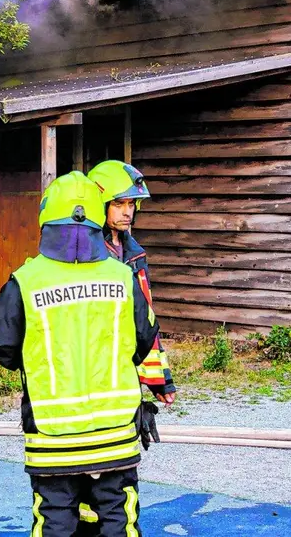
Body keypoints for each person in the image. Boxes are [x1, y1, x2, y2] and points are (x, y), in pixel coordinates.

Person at [0, 172, 160, 537]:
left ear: (46, 219)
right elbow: (145, 340)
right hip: (115, 434)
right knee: (118, 520)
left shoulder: (26, 280)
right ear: (99, 219)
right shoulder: (122, 277)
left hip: (53, 437)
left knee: (54, 523)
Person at [88, 160, 177, 404]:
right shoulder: (84, 256)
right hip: (92, 369)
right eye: (118, 204)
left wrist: (161, 380)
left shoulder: (135, 255)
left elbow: (145, 320)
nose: (127, 211)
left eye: (131, 204)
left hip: (126, 369)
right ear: (99, 204)